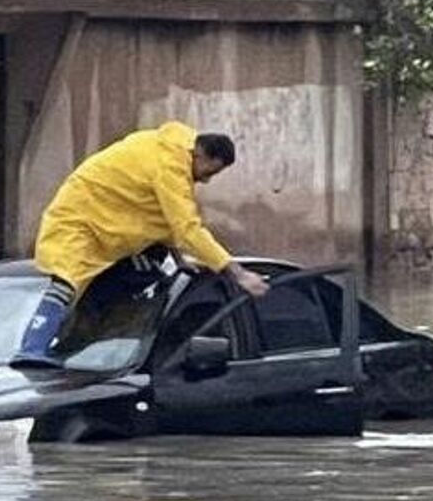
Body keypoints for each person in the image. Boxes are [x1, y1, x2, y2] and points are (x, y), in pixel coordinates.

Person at [18, 122, 269, 365]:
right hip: (80, 219)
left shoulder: (166, 146)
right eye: (209, 172)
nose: (205, 181)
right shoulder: (170, 168)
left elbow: (163, 217)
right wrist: (238, 274)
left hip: (104, 221)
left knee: (137, 273)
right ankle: (32, 347)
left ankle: (76, 340)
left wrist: (179, 260)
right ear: (199, 154)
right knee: (67, 280)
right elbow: (187, 228)